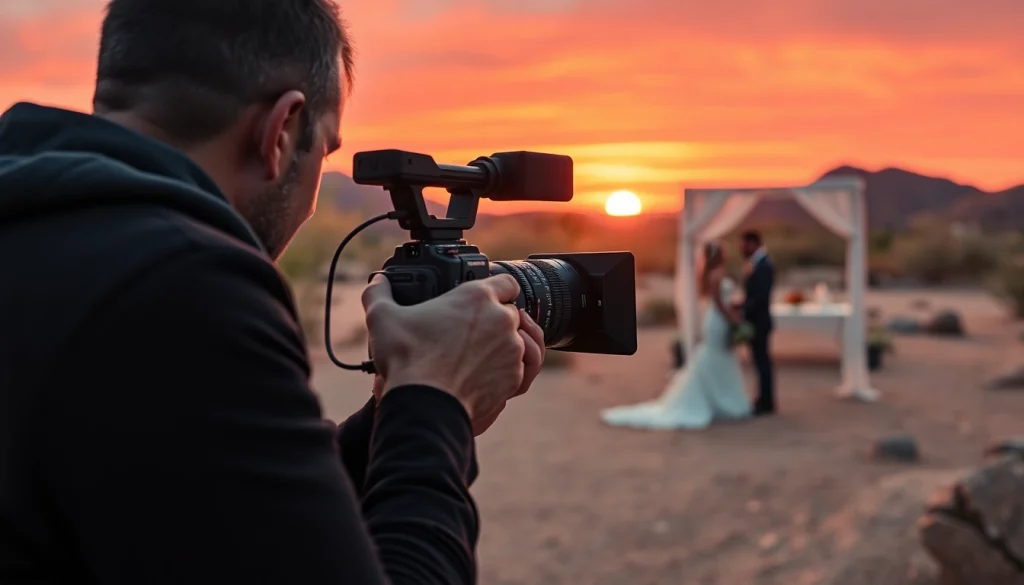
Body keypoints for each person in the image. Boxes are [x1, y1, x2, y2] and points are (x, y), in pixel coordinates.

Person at [0, 1, 546, 583]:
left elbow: (227, 504)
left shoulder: (50, 238)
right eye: (325, 149)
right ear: (282, 131)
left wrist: (402, 412)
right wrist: (441, 404)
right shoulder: (182, 284)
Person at [600, 241, 751, 430]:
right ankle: (723, 401)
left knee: (716, 356)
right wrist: (734, 319)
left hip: (714, 319)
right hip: (719, 319)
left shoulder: (709, 274)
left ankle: (721, 400)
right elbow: (720, 303)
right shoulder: (718, 274)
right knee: (716, 355)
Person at [739, 229, 777, 415]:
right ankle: (764, 399)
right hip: (757, 320)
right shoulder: (757, 263)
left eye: (744, 244)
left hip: (759, 322)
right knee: (760, 362)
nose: (742, 248)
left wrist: (743, 308)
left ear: (754, 244)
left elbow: (760, 296)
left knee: (762, 362)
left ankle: (766, 401)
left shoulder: (764, 265)